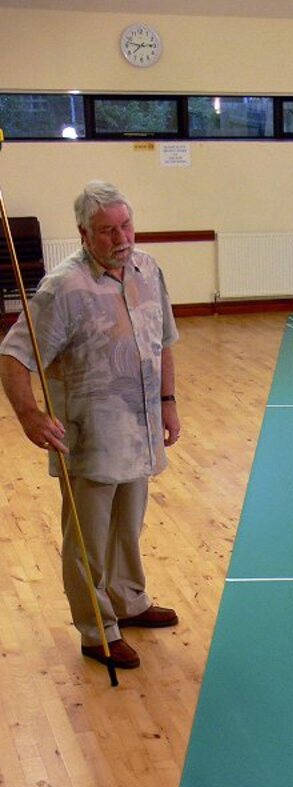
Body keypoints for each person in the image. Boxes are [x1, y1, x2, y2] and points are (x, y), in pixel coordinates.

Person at [0, 180, 180, 669]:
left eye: (126, 225)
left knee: (128, 527)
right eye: (106, 231)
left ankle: (128, 600)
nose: (120, 238)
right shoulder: (63, 288)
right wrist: (29, 415)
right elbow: (14, 355)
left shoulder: (148, 268)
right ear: (84, 234)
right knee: (88, 540)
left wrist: (168, 401)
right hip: (90, 437)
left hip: (139, 430)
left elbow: (164, 339)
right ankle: (96, 629)